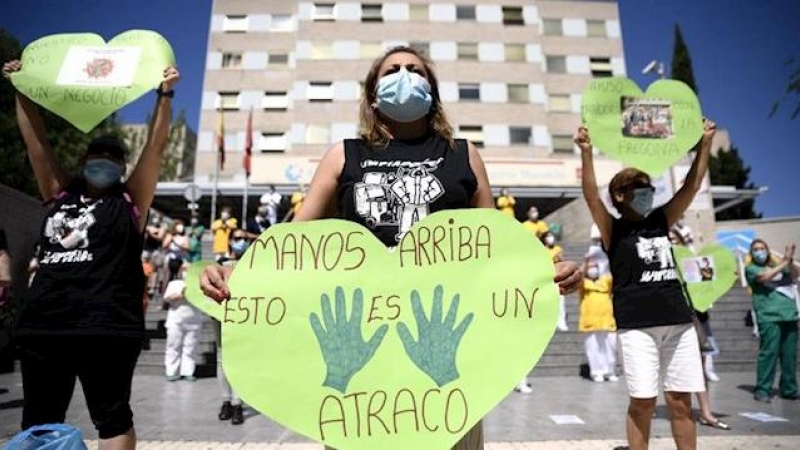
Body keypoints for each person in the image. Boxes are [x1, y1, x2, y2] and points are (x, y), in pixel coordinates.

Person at [199, 46, 582, 450]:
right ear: (372, 93)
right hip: (361, 346)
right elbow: (292, 241)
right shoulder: (343, 156)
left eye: (415, 70)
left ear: (432, 90)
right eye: (393, 70)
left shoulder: (464, 155)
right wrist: (236, 270)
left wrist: (544, 272)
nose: (404, 75)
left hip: (445, 346)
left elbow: (493, 245)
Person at [4, 59, 179, 450]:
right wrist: (22, 88)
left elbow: (155, 147)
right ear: (84, 163)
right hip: (45, 324)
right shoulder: (58, 193)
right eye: (96, 157)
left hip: (107, 324)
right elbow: (37, 144)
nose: (104, 163)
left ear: (121, 168)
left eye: (114, 160)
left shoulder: (130, 201)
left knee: (111, 417)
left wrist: (164, 96)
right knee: (39, 421)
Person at [576, 117, 715, 450]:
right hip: (637, 326)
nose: (648, 194)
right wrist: (586, 153)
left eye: (650, 189)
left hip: (678, 322)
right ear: (621, 195)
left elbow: (691, 187)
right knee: (643, 402)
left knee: (681, 402)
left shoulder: (661, 219)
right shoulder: (613, 229)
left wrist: (706, 143)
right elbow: (592, 198)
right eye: (641, 190)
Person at [745, 239, 798, 403]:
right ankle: (763, 389)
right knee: (768, 353)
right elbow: (766, 276)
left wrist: (790, 261)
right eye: (755, 249)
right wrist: (785, 261)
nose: (759, 251)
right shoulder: (751, 269)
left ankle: (789, 389)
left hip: (789, 314)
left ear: (768, 250)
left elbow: (795, 275)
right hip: (768, 316)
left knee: (789, 355)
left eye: (762, 248)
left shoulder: (780, 264)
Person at [163, 264, 205, 382]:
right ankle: (171, 371)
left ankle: (188, 372)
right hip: (176, 321)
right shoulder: (174, 284)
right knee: (173, 346)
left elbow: (203, 300)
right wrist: (182, 294)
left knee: (190, 348)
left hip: (194, 321)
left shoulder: (199, 285)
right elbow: (167, 298)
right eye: (185, 270)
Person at [579, 259, 617, 382]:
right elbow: (578, 276)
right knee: (593, 348)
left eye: (595, 266)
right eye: (591, 267)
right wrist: (585, 263)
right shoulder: (584, 284)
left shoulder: (605, 282)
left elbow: (611, 274)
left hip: (607, 320)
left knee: (611, 346)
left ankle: (610, 371)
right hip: (590, 321)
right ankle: (596, 372)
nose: (593, 269)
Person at [543, 231, 568, 332]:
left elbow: (563, 261)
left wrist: (559, 258)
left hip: (557, 276)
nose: (550, 239)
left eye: (551, 237)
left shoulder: (558, 249)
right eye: (548, 237)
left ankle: (561, 322)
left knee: (560, 300)